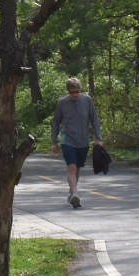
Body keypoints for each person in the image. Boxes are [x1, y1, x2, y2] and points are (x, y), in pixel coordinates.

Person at [50, 77, 102, 209]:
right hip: (67, 140)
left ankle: (71, 194)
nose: (74, 94)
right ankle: (75, 194)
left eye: (77, 91)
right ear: (68, 91)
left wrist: (98, 139)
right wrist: (54, 141)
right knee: (71, 167)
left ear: (80, 90)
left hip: (83, 140)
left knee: (77, 168)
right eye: (72, 92)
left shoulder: (87, 100)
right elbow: (56, 122)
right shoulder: (62, 102)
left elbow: (94, 120)